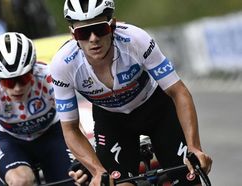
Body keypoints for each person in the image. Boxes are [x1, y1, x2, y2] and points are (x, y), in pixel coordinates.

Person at [50, 0, 213, 186]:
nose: (93, 38)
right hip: (112, 120)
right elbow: (70, 128)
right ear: (73, 35)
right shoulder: (63, 64)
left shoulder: (136, 40)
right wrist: (97, 170)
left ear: (112, 26)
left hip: (155, 109)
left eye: (100, 29)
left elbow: (179, 92)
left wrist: (195, 148)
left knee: (188, 174)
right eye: (83, 32)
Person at [0, 32, 73, 186]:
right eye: (8, 82)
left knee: (72, 178)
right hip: (12, 140)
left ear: (33, 70)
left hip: (52, 133)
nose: (18, 88)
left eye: (23, 79)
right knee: (20, 180)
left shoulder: (49, 76)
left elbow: (73, 123)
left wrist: (81, 160)